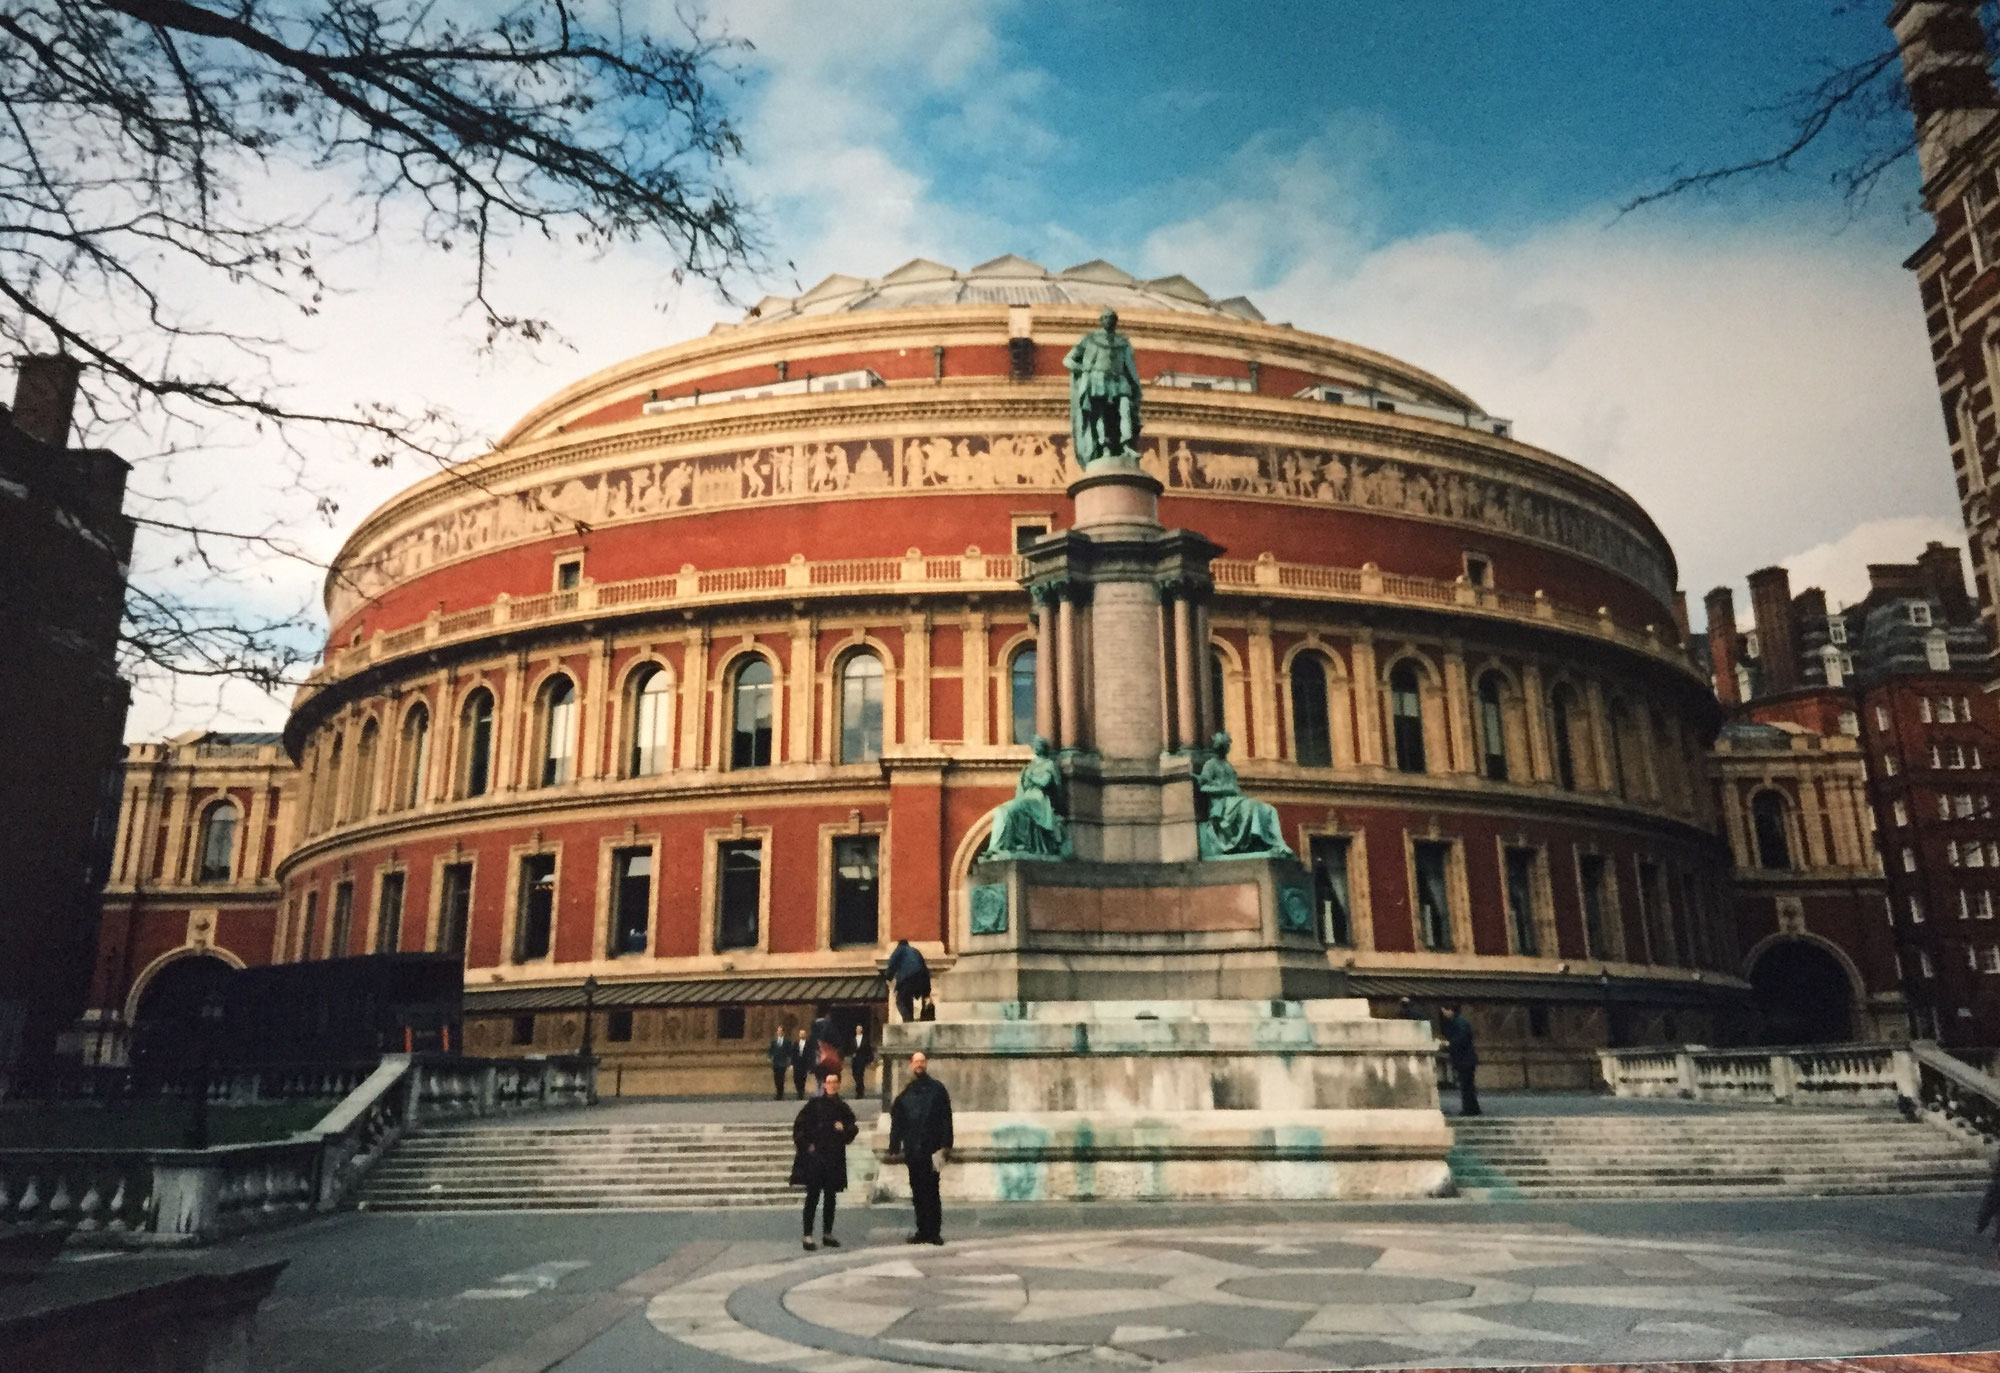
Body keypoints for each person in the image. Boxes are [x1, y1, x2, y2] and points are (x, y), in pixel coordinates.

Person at [887, 1050, 954, 1245]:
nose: (919, 1065)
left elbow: (945, 1118)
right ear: (911, 1065)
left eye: (922, 1061)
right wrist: (894, 1143)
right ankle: (922, 1229)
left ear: (926, 1064)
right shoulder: (906, 1092)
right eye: (916, 1062)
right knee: (917, 1190)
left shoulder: (937, 1089)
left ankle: (934, 1231)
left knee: (932, 1189)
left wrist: (946, 1144)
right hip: (913, 1149)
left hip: (932, 1148)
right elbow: (897, 1119)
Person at [1195, 732, 1294, 859]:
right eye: (1226, 745)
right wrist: (1225, 789)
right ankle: (1257, 840)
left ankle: (1277, 843)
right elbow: (1203, 787)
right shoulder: (1210, 764)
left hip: (1236, 800)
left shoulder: (1227, 765)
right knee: (1252, 805)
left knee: (1269, 809)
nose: (1228, 748)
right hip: (1222, 803)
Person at [790, 1069, 858, 1251]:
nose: (832, 1085)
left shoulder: (843, 1107)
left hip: (834, 1158)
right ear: (824, 1084)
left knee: (830, 1197)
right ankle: (808, 1235)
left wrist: (844, 1128)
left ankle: (827, 1233)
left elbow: (852, 1128)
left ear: (838, 1084)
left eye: (835, 1082)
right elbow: (799, 1127)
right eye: (829, 1082)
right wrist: (807, 1146)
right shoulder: (814, 1105)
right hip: (816, 1157)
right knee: (812, 1196)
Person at [983, 735, 1072, 860]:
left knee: (1012, 809)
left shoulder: (1049, 764)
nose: (1037, 747)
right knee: (1002, 810)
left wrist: (1031, 778)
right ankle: (997, 847)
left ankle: (1002, 845)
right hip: (1027, 797)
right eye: (1035, 744)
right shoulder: (1029, 767)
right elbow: (1021, 789)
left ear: (1044, 748)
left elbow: (1045, 782)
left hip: (1039, 799)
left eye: (1039, 744)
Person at [1440, 1004, 1481, 1117]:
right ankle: (1473, 1108)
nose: (1444, 1013)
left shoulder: (1459, 1022)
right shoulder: (1459, 1022)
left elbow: (1462, 1039)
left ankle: (1469, 1109)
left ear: (1450, 1010)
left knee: (1466, 1085)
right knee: (1468, 1085)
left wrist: (1449, 1043)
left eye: (1444, 1010)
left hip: (1465, 1058)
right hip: (1465, 1058)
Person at [884, 938, 931, 1024]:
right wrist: (927, 992)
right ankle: (913, 1019)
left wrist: (888, 977)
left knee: (900, 1000)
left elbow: (892, 965)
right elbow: (925, 969)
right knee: (909, 999)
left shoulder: (900, 950)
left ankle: (908, 1021)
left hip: (907, 978)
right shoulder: (915, 951)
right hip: (920, 979)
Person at [808, 1009, 840, 1093]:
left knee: (819, 1075)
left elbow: (811, 1042)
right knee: (827, 1074)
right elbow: (836, 1041)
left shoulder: (813, 1026)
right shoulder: (829, 1025)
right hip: (827, 1056)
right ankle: (825, 1091)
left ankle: (820, 1089)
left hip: (817, 1055)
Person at [767, 1027, 792, 1101]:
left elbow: (789, 1052)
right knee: (776, 1078)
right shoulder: (774, 1041)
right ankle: (778, 1092)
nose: (779, 1032)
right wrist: (769, 1057)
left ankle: (780, 1094)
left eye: (781, 1031)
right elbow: (770, 1050)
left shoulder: (787, 1042)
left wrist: (790, 1061)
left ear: (783, 1032)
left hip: (783, 1062)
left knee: (781, 1078)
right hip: (775, 1062)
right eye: (778, 1031)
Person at [849, 1024, 875, 1095]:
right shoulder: (853, 1039)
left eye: (859, 1029)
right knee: (855, 1075)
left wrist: (870, 1059)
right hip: (855, 1059)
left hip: (862, 1059)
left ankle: (860, 1091)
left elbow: (869, 1049)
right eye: (857, 1029)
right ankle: (859, 1088)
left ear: (861, 1030)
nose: (858, 1030)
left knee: (860, 1075)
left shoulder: (865, 1039)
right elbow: (850, 1048)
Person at [789, 1027, 810, 1100]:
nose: (802, 1035)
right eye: (801, 1034)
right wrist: (791, 1064)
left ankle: (801, 1093)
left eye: (803, 1034)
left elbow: (810, 1054)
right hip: (796, 1064)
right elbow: (792, 1054)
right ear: (799, 1035)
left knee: (803, 1078)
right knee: (796, 1079)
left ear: (805, 1035)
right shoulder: (796, 1043)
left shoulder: (808, 1044)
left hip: (804, 1064)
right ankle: (798, 1091)